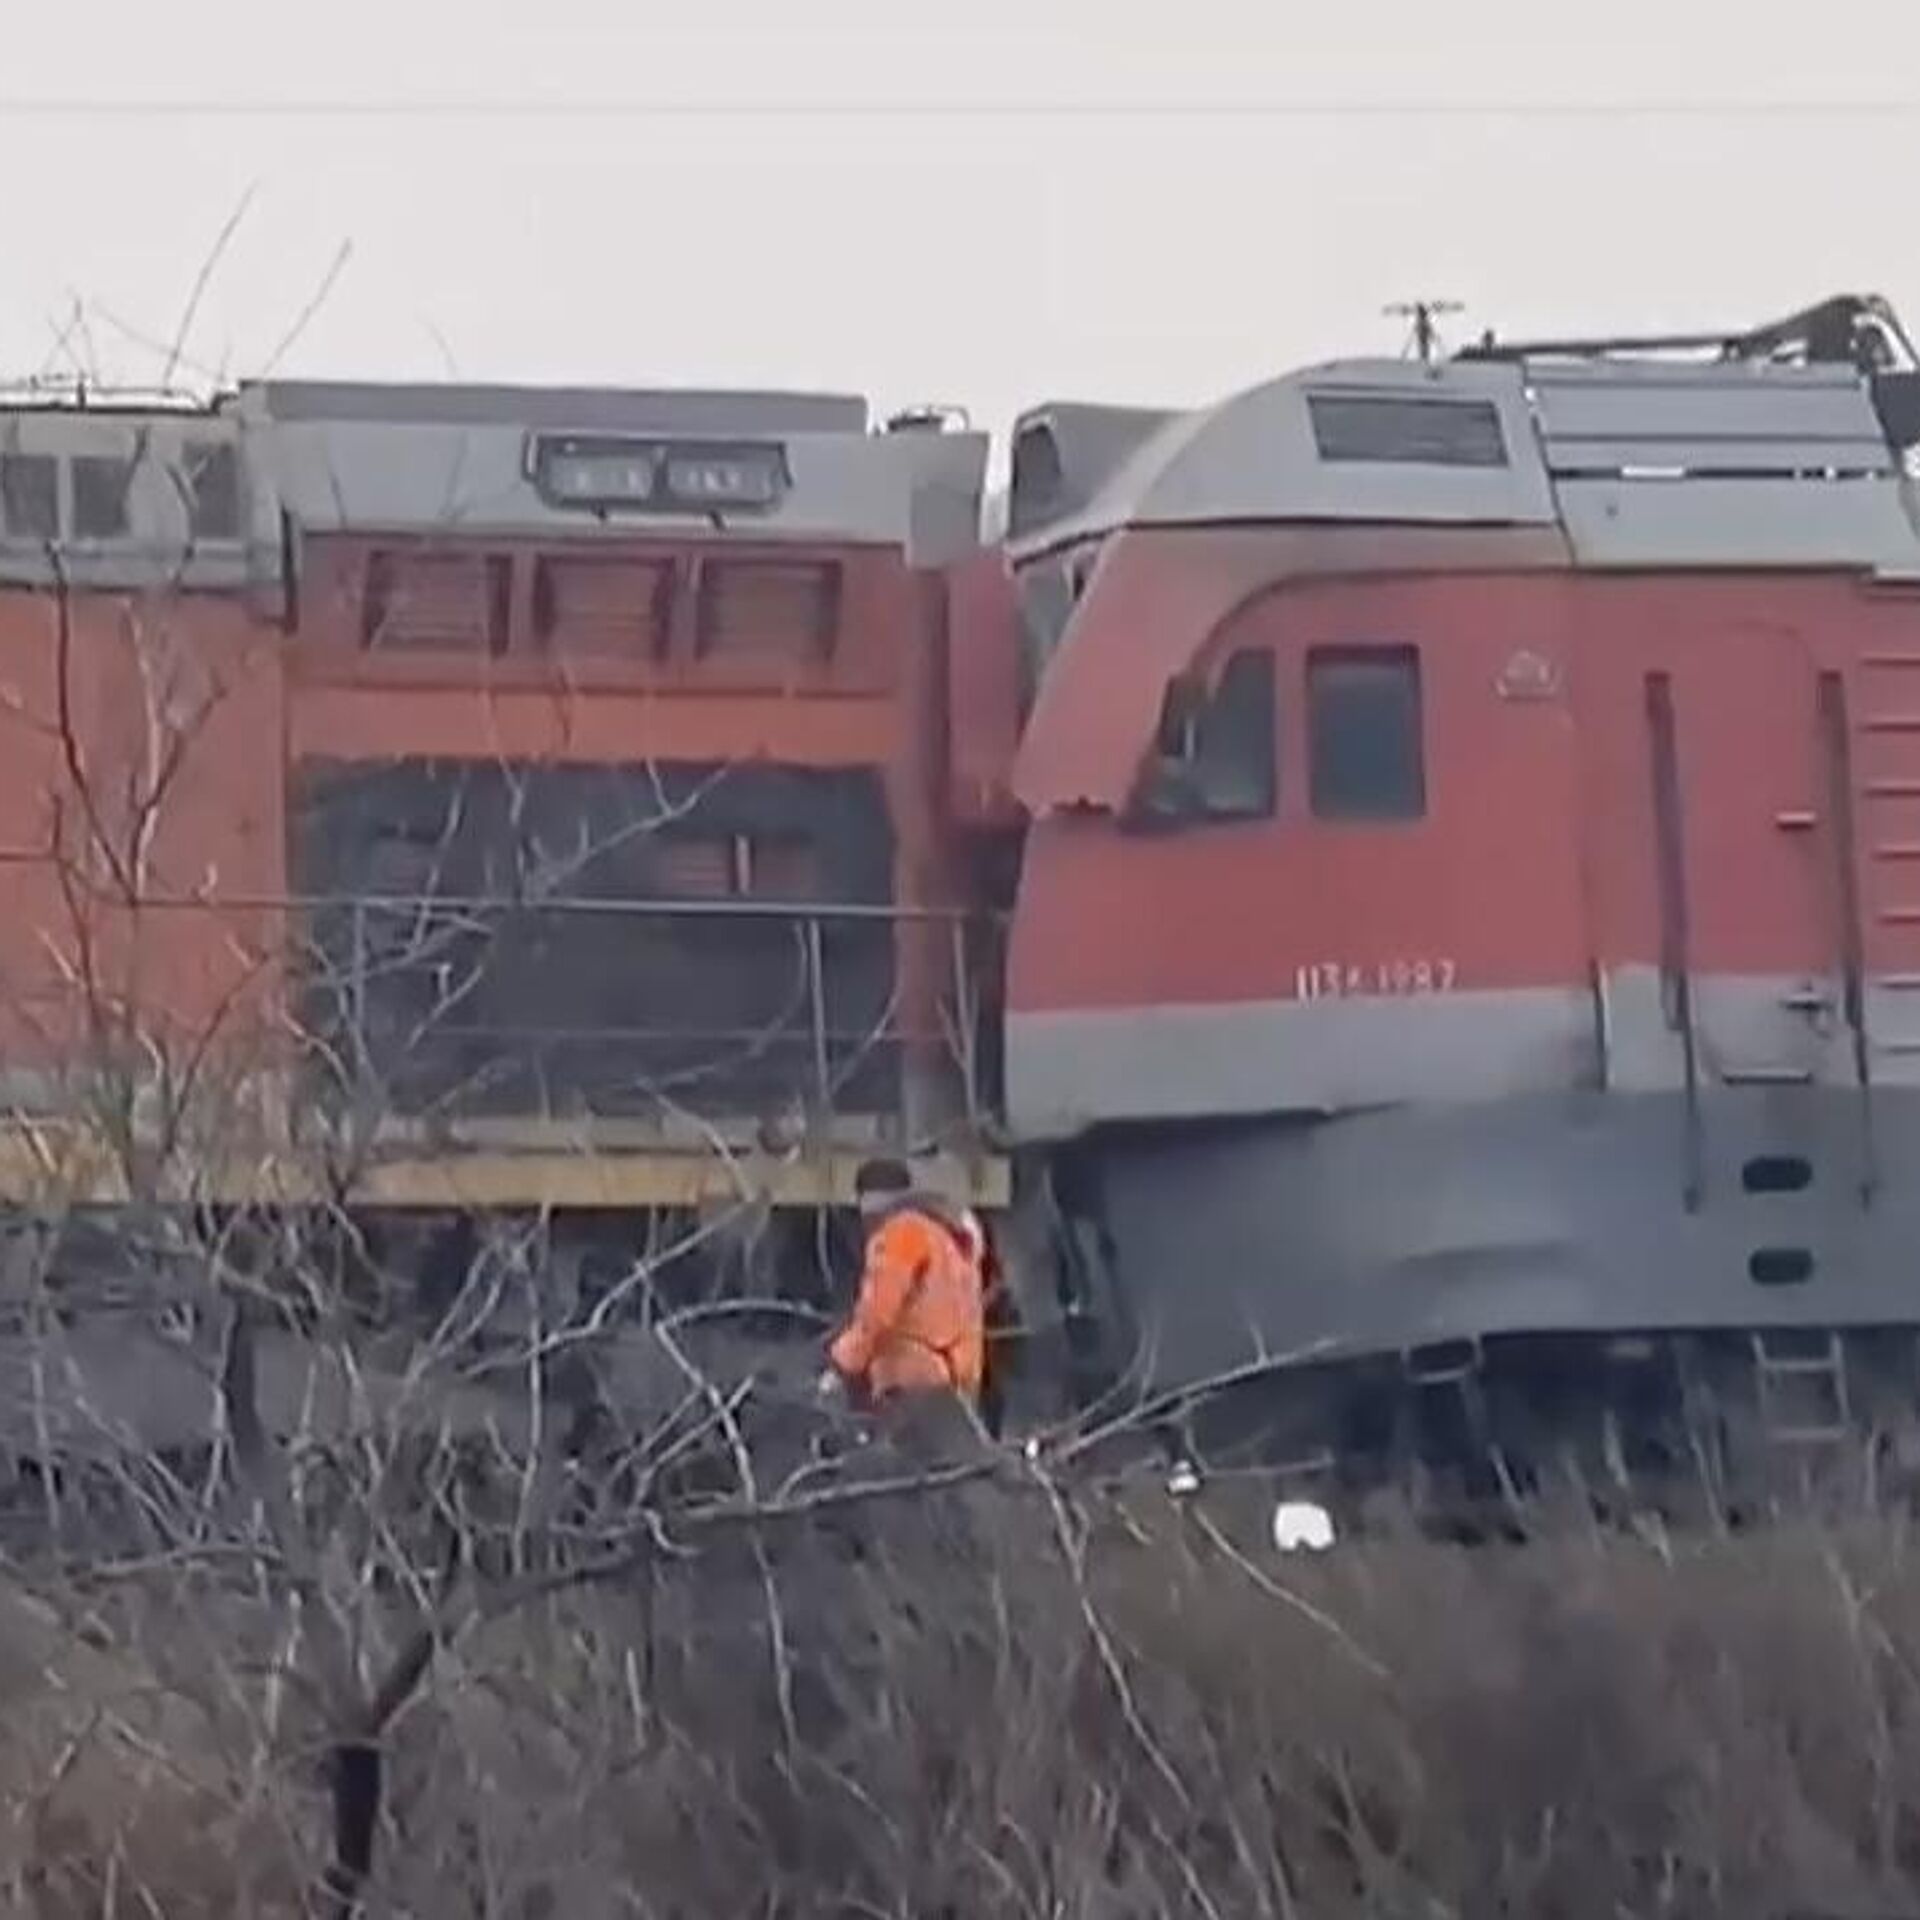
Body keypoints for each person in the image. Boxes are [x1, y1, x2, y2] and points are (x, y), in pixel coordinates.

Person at [819, 1158, 985, 1416]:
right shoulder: (947, 1237)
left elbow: (876, 1315)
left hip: (912, 1380)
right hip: (956, 1381)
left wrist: (839, 1365)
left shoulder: (901, 1233)